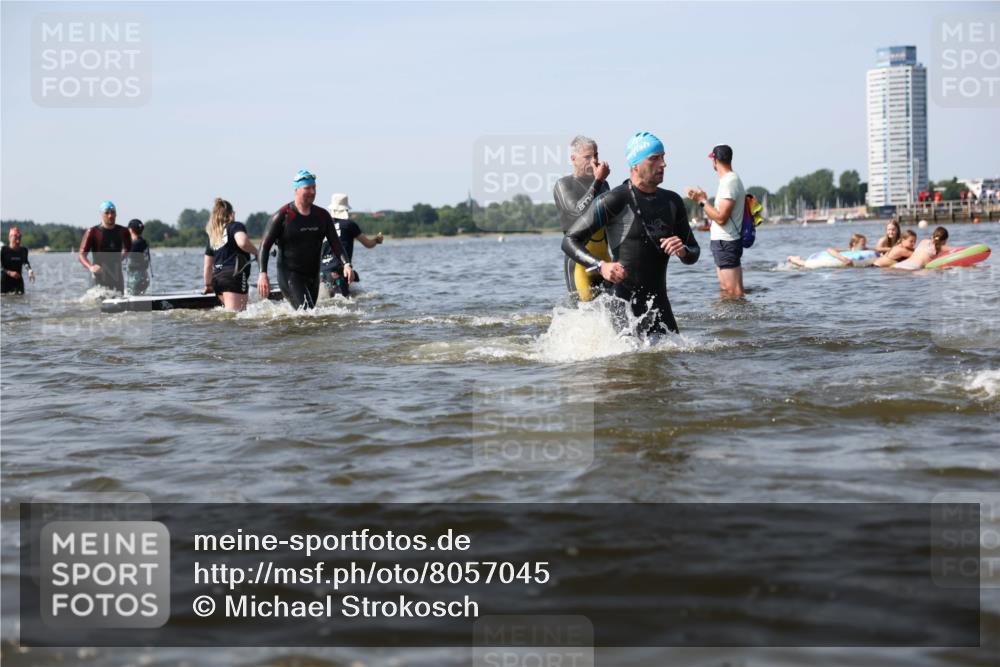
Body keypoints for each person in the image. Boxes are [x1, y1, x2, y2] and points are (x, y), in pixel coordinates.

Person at [562, 131, 700, 336]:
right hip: (623, 310)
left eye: (663, 157)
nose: (663, 164)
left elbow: (694, 252)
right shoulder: (615, 199)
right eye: (654, 158)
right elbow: (570, 240)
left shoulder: (672, 201)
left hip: (660, 307)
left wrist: (683, 250)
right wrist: (601, 266)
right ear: (635, 164)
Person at [257, 170, 352, 310]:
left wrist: (346, 264)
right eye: (307, 188)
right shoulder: (283, 216)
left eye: (314, 188)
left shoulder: (322, 216)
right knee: (307, 312)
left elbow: (335, 243)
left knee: (310, 315)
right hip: (290, 274)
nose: (312, 192)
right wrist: (262, 274)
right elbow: (264, 246)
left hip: (313, 275)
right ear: (296, 190)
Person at [553, 135, 611, 302]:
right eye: (587, 157)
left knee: (617, 309)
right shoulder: (563, 184)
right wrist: (598, 181)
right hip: (579, 262)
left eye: (596, 156)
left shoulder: (604, 185)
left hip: (604, 258)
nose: (594, 161)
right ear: (573, 159)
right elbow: (576, 212)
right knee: (583, 313)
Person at [685, 145, 746, 298]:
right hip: (724, 242)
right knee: (726, 290)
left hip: (726, 242)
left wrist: (701, 201)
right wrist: (704, 200)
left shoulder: (729, 182)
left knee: (733, 291)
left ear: (715, 160)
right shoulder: (729, 180)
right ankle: (727, 321)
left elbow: (721, 217)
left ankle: (738, 321)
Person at [319, 193, 383, 298]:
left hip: (321, 273)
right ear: (346, 210)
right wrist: (377, 240)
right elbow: (368, 244)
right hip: (340, 272)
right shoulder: (349, 225)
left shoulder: (324, 225)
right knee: (345, 301)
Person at [204, 198, 259, 312]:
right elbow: (243, 242)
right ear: (231, 213)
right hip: (234, 276)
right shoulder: (235, 226)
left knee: (229, 318)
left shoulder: (213, 235)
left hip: (217, 280)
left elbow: (207, 266)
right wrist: (257, 252)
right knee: (236, 318)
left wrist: (208, 285)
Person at [78, 201, 131, 292]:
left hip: (117, 277)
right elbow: (81, 255)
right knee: (99, 304)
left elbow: (128, 249)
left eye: (113, 212)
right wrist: (91, 267)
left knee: (119, 304)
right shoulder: (93, 232)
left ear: (116, 214)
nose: (110, 216)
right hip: (98, 275)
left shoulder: (123, 231)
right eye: (107, 213)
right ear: (101, 214)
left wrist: (121, 257)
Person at [787, 233, 870, 267]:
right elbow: (829, 249)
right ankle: (793, 258)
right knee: (805, 264)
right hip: (822, 258)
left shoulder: (865, 251)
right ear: (854, 244)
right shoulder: (847, 251)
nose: (865, 246)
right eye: (863, 244)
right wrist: (843, 259)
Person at [1, 227, 35, 294]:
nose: (18, 241)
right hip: (4, 282)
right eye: (15, 239)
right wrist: (9, 272)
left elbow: (25, 262)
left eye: (19, 239)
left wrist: (29, 270)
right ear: (9, 238)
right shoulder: (3, 250)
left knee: (21, 301)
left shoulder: (23, 250)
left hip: (18, 282)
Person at [124, 219, 152, 296]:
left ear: (130, 230)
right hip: (144, 277)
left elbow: (121, 257)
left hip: (135, 280)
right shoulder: (143, 242)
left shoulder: (134, 244)